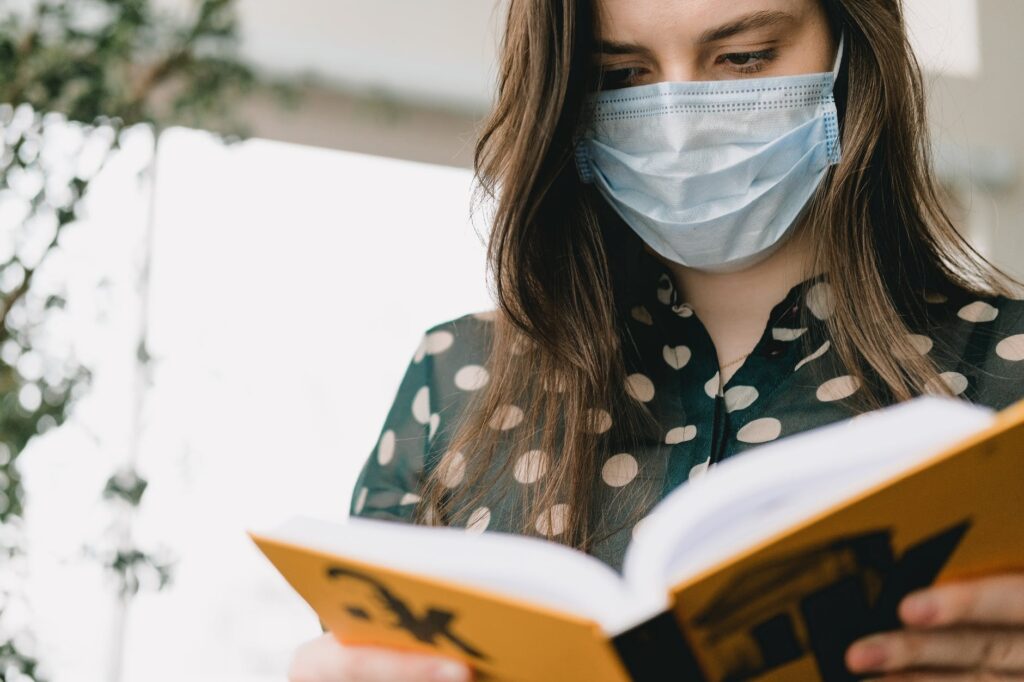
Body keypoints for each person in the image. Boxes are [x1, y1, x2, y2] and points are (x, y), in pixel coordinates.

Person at [288, 0, 1024, 680]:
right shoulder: (453, 378)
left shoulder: (1008, 372)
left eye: (743, 58)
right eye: (622, 75)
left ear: (850, 49)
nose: (678, 120)